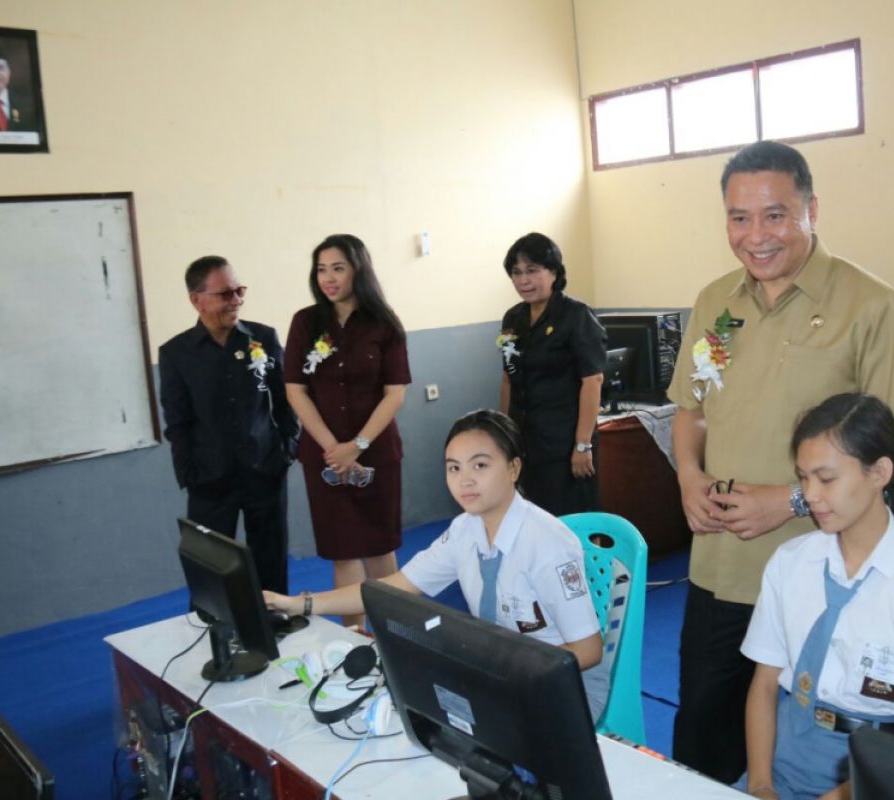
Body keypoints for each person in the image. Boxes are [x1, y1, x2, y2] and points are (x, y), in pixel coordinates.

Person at [668, 141, 894, 783]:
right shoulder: (718, 309)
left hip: (834, 571)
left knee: (842, 752)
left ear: (812, 210)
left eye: (775, 215)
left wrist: (787, 500)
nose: (756, 236)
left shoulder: (871, 306)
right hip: (725, 565)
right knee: (705, 736)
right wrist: (689, 475)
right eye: (738, 218)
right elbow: (691, 410)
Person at [264, 409, 608, 718]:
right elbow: (390, 589)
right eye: (454, 468)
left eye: (481, 465)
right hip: (501, 672)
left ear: (513, 468)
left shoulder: (546, 542)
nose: (465, 480)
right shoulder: (465, 530)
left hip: (562, 688)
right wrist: (301, 604)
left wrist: (506, 680)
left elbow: (587, 651)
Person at [738, 393, 894, 800]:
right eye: (803, 477)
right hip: (786, 755)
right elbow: (765, 686)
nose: (809, 495)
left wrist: (840, 797)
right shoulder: (791, 562)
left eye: (826, 479)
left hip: (878, 771)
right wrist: (759, 785)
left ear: (879, 472)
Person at [283, 234, 410, 628]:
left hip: (376, 453)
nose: (328, 278)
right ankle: (354, 636)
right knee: (343, 549)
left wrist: (357, 445)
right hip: (325, 458)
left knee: (378, 546)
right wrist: (333, 449)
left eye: (338, 267)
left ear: (359, 270)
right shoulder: (306, 322)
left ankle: (393, 633)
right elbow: (295, 390)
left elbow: (394, 394)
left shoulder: (384, 323)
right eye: (321, 269)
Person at [158, 256, 299, 594]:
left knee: (271, 560)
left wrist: (287, 449)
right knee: (210, 568)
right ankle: (214, 633)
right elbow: (177, 423)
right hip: (209, 478)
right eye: (225, 294)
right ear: (197, 299)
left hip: (264, 468)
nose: (236, 300)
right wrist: (189, 474)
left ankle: (274, 624)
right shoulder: (176, 353)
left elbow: (286, 401)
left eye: (239, 291)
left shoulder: (263, 339)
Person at [499, 232, 607, 516]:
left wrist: (582, 444)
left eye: (532, 271)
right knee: (535, 517)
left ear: (554, 272)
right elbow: (508, 377)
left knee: (574, 521)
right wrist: (505, 434)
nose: (523, 280)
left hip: (566, 442)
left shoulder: (576, 315)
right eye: (516, 273)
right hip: (527, 440)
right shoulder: (513, 318)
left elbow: (592, 381)